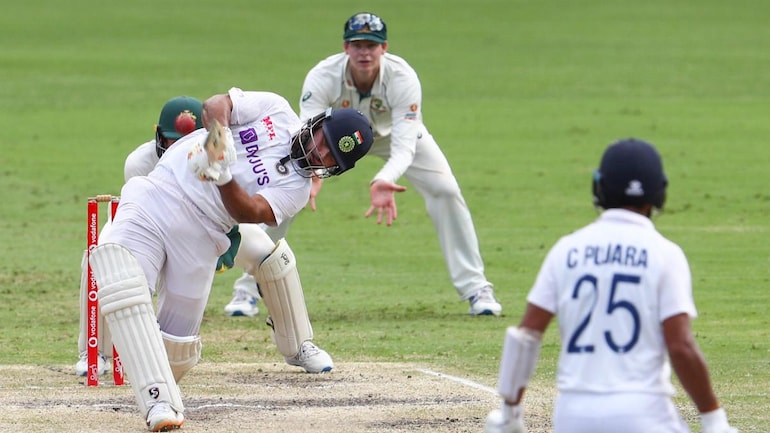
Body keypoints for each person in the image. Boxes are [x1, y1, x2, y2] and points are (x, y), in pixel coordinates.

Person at [87, 87, 373, 431]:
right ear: (317, 123)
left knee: (179, 346)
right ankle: (157, 403)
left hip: (202, 235)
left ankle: (163, 393)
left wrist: (223, 175)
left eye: (330, 159)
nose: (319, 151)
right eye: (323, 139)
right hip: (159, 194)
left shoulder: (295, 191)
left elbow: (251, 211)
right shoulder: (277, 110)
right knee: (122, 277)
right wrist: (221, 141)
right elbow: (215, 105)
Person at [484, 139, 738, 433]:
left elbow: (527, 336)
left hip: (572, 416)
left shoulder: (566, 250)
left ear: (599, 188)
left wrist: (510, 414)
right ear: (659, 192)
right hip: (643, 414)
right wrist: (713, 419)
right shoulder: (666, 254)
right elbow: (680, 346)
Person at [293, 12, 502, 316]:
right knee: (289, 187)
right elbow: (305, 130)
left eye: (371, 45)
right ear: (346, 47)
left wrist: (383, 178)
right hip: (336, 142)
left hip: (392, 136)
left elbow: (405, 145)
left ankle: (476, 288)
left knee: (446, 189)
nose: (365, 52)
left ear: (384, 47)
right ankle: (248, 289)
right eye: (357, 45)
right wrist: (311, 171)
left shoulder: (403, 77)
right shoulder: (323, 75)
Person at [75, 96, 205, 377]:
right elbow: (139, 212)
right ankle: (93, 351)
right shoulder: (140, 162)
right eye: (172, 140)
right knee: (97, 258)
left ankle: (299, 346)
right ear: (158, 134)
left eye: (187, 140)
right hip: (143, 221)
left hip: (197, 230)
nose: (178, 148)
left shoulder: (215, 161)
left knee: (268, 256)